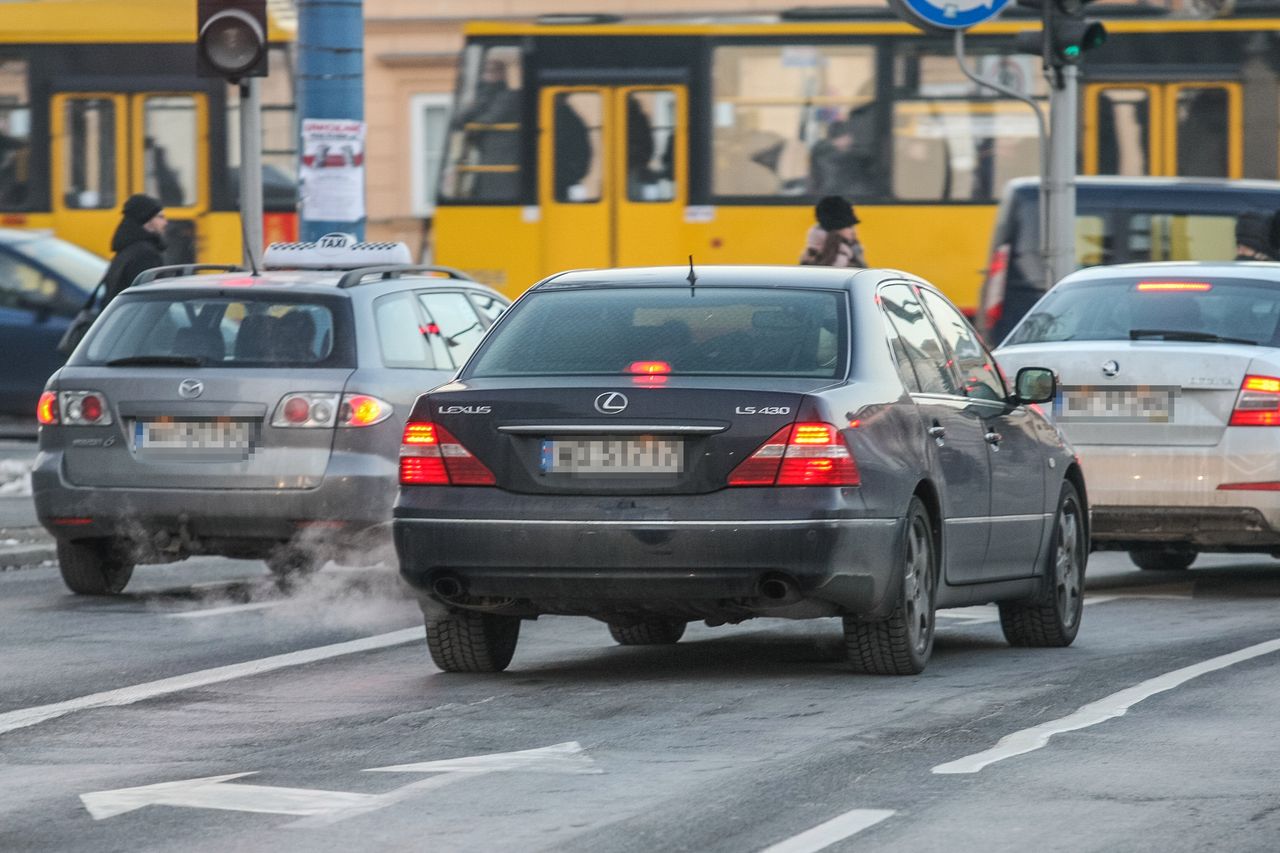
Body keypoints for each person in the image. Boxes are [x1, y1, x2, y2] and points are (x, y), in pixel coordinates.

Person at [455, 57, 522, 199]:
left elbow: (489, 119)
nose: (487, 76)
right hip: (488, 161)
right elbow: (460, 120)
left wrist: (471, 125)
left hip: (503, 163)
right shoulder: (485, 96)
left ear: (502, 75)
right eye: (485, 73)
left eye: (492, 72)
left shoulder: (509, 97)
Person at [102, 193, 166, 305]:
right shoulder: (145, 255)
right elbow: (151, 300)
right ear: (146, 220)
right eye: (160, 217)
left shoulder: (125, 250)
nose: (165, 223)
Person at [800, 195, 868, 268]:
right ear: (836, 229)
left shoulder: (851, 248)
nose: (853, 231)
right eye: (849, 227)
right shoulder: (840, 256)